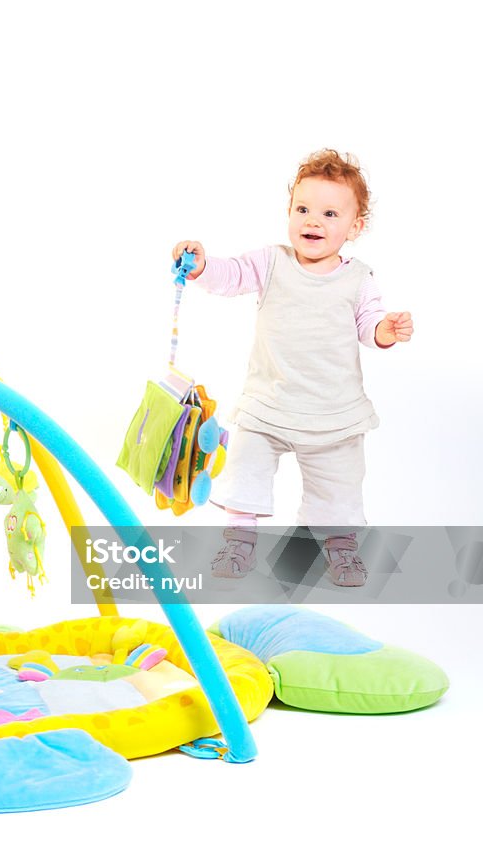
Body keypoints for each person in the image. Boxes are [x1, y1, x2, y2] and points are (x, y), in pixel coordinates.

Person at [172, 149, 413, 587]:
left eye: (329, 213)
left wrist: (385, 330)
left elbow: (368, 324)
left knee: (339, 488)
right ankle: (238, 541)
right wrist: (203, 267)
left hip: (333, 412)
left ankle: (341, 549)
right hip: (269, 403)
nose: (312, 221)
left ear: (355, 227)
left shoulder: (357, 279)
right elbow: (232, 275)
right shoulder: (272, 263)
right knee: (245, 465)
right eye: (302, 209)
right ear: (289, 213)